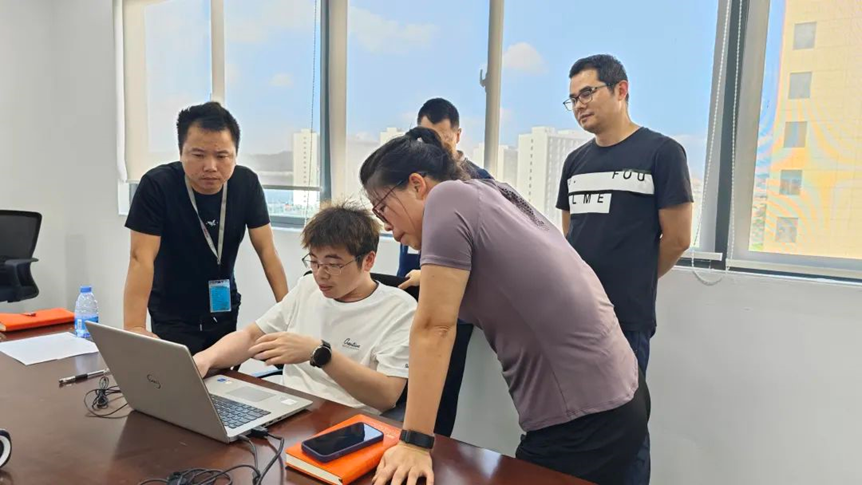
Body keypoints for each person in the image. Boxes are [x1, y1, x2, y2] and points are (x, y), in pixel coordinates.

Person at [362, 127, 650, 485]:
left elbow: (435, 327)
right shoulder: (489, 191)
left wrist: (414, 442)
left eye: (383, 209)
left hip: (586, 419)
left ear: (417, 185)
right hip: (622, 390)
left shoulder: (445, 199)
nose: (389, 229)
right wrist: (429, 277)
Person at [557, 54, 693, 485]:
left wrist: (633, 280)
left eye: (587, 93)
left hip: (626, 318)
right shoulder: (575, 162)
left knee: (626, 428)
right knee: (575, 424)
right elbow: (570, 235)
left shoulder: (661, 153)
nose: (579, 105)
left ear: (621, 89)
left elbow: (677, 238)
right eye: (573, 98)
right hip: (575, 316)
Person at [193, 203, 416, 414]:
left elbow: (387, 396)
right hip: (287, 408)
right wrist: (204, 359)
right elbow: (252, 336)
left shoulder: (399, 308)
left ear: (368, 261)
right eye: (314, 261)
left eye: (333, 264)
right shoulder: (308, 287)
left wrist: (320, 353)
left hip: (349, 421)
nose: (320, 274)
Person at [123, 102, 289, 355]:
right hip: (172, 314)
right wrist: (134, 327)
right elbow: (140, 258)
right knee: (179, 376)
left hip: (224, 309)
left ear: (235, 154)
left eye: (222, 156)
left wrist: (288, 313)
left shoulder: (246, 183)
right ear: (181, 152)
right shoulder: (157, 186)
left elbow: (267, 251)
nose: (210, 166)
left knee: (223, 376)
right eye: (199, 155)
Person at [396, 97, 493, 437]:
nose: (432, 146)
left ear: (458, 136)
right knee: (402, 379)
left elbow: (481, 251)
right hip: (411, 294)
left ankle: (428, 446)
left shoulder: (477, 180)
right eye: (425, 137)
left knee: (443, 389)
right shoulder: (412, 179)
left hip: (455, 305)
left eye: (441, 137)